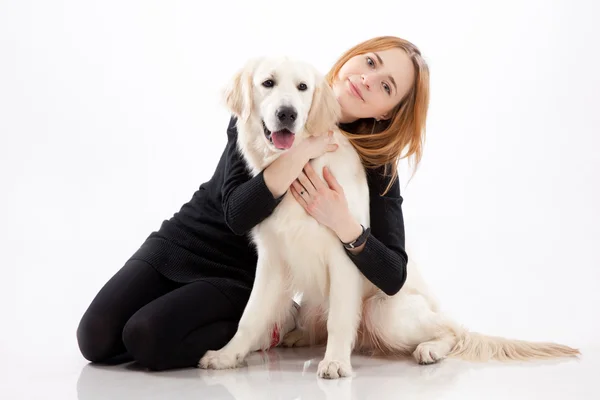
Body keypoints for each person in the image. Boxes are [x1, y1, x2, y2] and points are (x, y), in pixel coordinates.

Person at [76, 35, 430, 371]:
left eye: (386, 86)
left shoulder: (375, 163)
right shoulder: (273, 101)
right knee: (95, 338)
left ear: (388, 112)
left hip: (241, 273)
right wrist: (304, 150)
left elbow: (393, 274)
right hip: (187, 238)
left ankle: (268, 327)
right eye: (370, 61)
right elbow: (237, 214)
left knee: (145, 338)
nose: (368, 79)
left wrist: (343, 224)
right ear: (353, 55)